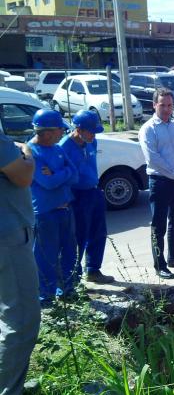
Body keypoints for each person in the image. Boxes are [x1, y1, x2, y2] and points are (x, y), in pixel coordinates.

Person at [0, 133, 41, 395]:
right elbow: (23, 174)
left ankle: (8, 386)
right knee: (22, 320)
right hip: (7, 238)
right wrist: (25, 151)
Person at [138, 88, 174, 279]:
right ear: (154, 105)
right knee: (158, 225)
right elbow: (153, 159)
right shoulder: (148, 129)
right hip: (161, 182)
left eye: (169, 105)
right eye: (162, 105)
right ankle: (159, 264)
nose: (166, 109)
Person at [27, 109, 78, 305]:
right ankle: (45, 296)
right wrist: (61, 175)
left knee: (69, 252)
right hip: (45, 213)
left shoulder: (58, 149)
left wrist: (56, 173)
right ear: (47, 132)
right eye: (59, 130)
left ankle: (66, 289)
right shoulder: (32, 152)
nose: (62, 133)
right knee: (45, 256)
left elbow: (74, 174)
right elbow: (46, 183)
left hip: (65, 209)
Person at [59, 110, 115, 284]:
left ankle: (93, 269)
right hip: (76, 195)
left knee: (98, 232)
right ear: (78, 129)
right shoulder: (64, 147)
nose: (93, 135)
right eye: (91, 131)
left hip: (93, 191)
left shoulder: (92, 142)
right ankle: (73, 276)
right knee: (78, 236)